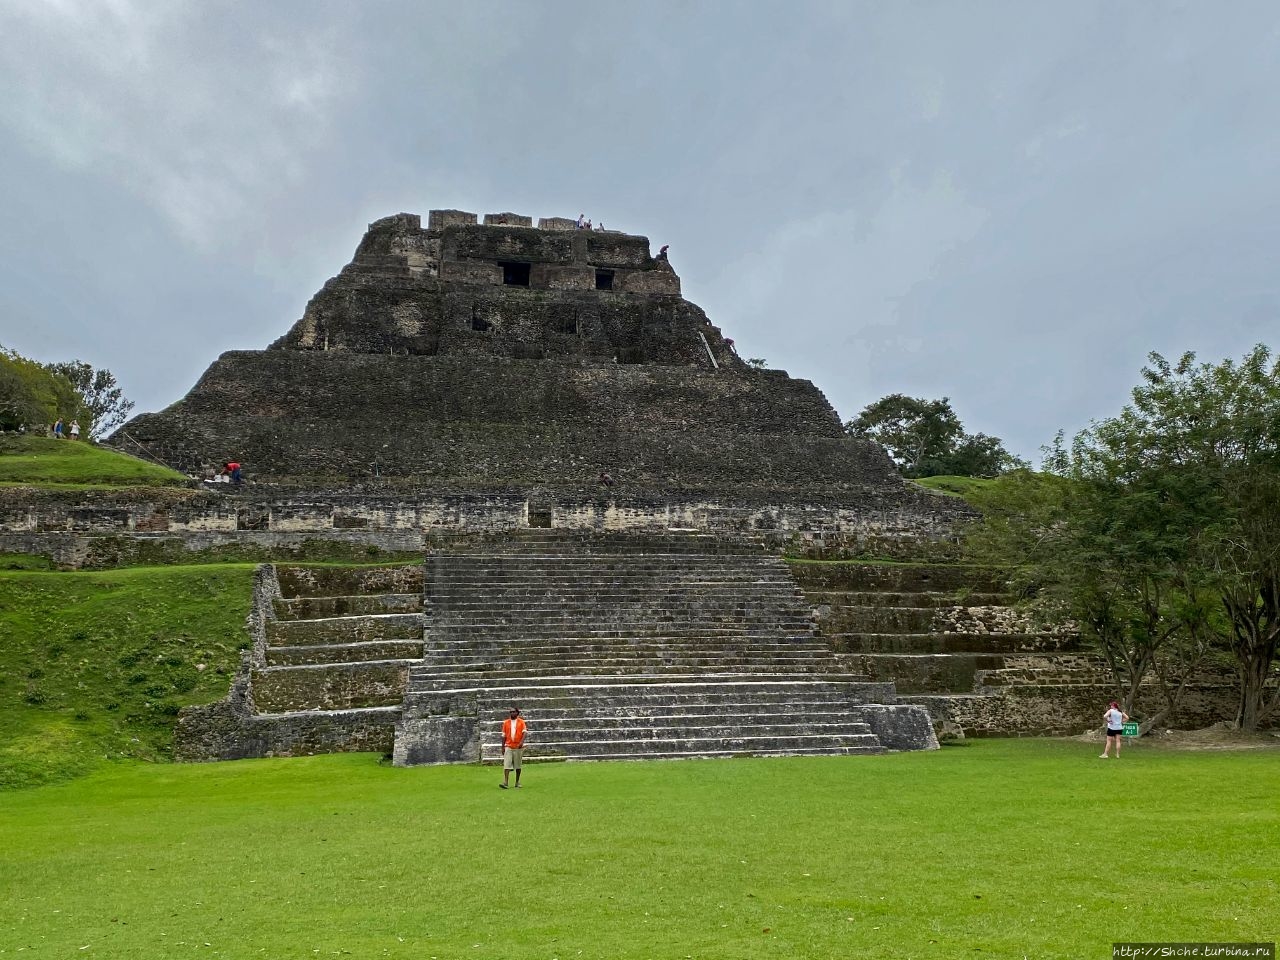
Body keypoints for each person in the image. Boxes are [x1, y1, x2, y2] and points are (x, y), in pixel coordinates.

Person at [499, 706, 527, 789]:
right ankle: (505, 782)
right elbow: (503, 735)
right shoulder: (506, 722)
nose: (512, 713)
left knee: (518, 765)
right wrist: (503, 747)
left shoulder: (521, 722)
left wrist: (521, 742)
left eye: (514, 712)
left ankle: (517, 782)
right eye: (511, 712)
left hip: (518, 746)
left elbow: (525, 732)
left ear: (517, 713)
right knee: (506, 764)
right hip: (508, 746)